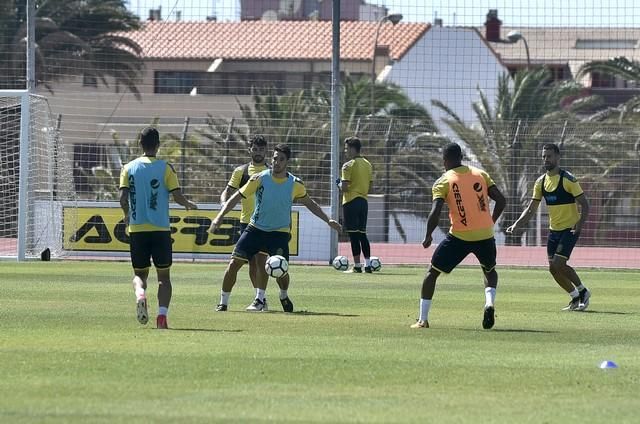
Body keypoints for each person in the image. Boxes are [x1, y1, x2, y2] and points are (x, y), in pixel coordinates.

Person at [209, 143, 342, 312]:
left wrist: (328, 220)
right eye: (274, 158)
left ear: (287, 162)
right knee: (234, 263)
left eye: (281, 159)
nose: (276, 162)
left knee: (281, 270)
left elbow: (310, 203)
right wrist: (220, 216)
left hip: (279, 233)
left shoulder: (295, 183)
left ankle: (283, 295)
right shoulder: (260, 178)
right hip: (255, 228)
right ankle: (224, 302)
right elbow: (237, 196)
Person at [411, 143, 506, 329]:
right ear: (461, 157)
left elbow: (435, 211)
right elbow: (502, 200)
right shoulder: (480, 174)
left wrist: (428, 235)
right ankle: (489, 303)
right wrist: (490, 221)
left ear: (445, 160)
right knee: (489, 271)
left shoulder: (443, 181)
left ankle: (423, 319)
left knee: (432, 273)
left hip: (460, 236)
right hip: (485, 235)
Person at [119, 127, 198, 329]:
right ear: (158, 145)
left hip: (138, 230)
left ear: (140, 144)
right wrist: (188, 204)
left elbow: (123, 198)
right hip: (160, 230)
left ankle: (140, 294)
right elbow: (178, 197)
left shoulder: (128, 168)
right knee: (164, 278)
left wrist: (127, 216)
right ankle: (162, 317)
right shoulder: (166, 168)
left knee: (140, 275)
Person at [506, 143, 591, 311]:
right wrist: (516, 224)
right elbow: (531, 208)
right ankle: (574, 297)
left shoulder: (568, 179)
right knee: (553, 268)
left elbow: (585, 205)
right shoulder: (541, 182)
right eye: (544, 156)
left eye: (549, 156)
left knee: (559, 263)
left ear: (558, 157)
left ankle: (583, 292)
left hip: (569, 229)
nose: (546, 159)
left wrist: (578, 225)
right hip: (554, 230)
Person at [219, 135, 278, 311]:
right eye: (255, 149)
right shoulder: (241, 171)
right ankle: (259, 299)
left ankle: (260, 299)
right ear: (249, 149)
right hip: (246, 223)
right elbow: (227, 191)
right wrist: (224, 203)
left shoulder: (271, 171)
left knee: (260, 262)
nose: (258, 152)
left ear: (266, 151)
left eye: (261, 149)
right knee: (246, 264)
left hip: (265, 224)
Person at [338, 136, 374, 273]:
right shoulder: (368, 164)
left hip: (351, 202)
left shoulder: (348, 165)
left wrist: (339, 184)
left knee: (353, 235)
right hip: (363, 202)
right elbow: (371, 188)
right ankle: (368, 264)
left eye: (347, 148)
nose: (345, 151)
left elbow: (345, 188)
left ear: (353, 149)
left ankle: (357, 266)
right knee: (362, 234)